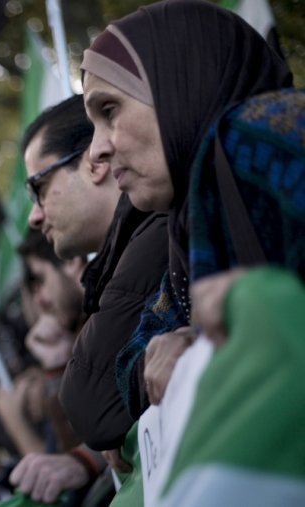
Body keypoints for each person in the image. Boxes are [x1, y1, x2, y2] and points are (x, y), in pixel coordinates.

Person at [82, 0, 292, 411]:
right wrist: (183, 340)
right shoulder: (189, 225)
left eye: (110, 110)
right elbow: (130, 366)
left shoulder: (263, 134)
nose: (96, 151)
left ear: (182, 83)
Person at [9, 93, 169, 503]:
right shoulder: (129, 248)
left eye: (39, 188)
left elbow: (94, 410)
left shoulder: (162, 227)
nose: (35, 215)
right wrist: (88, 458)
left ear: (94, 162)